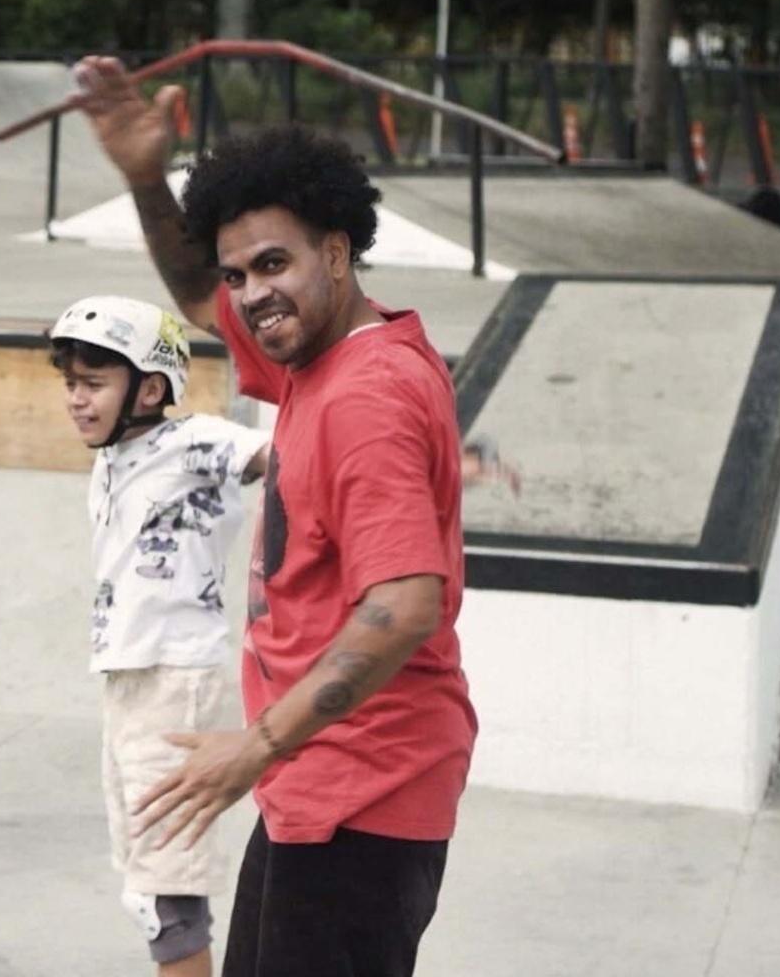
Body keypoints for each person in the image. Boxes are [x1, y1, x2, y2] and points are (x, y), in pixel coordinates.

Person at [74, 56, 478, 977]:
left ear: (336, 253)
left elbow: (405, 602)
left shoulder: (365, 397)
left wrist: (250, 749)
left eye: (274, 265)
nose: (252, 294)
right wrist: (145, 176)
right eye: (239, 274)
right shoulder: (323, 357)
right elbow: (193, 296)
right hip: (323, 785)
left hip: (363, 793)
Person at [48, 295, 270, 977]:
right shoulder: (114, 456)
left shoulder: (193, 439)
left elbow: (286, 458)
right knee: (145, 882)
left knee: (167, 898)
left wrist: (431, 462)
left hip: (177, 684)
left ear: (150, 388)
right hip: (129, 680)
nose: (76, 401)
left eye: (93, 384)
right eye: (70, 385)